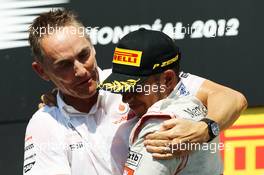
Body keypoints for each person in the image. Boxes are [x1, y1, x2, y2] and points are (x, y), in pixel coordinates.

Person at [24, 9, 247, 175]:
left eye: (84, 55)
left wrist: (204, 129)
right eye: (64, 65)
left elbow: (232, 98)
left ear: (92, 46)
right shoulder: (45, 123)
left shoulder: (132, 78)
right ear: (42, 71)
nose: (81, 71)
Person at [99, 28, 224, 175]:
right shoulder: (197, 106)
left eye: (134, 88)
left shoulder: (160, 128)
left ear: (167, 80)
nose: (125, 98)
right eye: (122, 88)